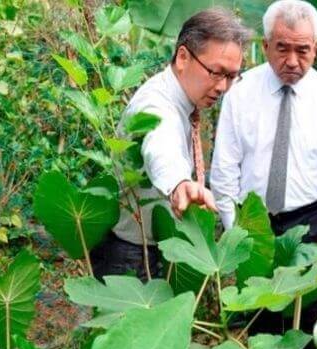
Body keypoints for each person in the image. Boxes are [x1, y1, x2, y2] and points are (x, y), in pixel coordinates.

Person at [210, 0, 317, 349]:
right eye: (282, 48)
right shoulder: (240, 94)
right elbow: (225, 167)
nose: (292, 61)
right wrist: (236, 228)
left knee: (302, 310)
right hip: (252, 217)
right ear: (266, 44)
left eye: (302, 50)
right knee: (258, 306)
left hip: (307, 217)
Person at [90, 8, 250, 281]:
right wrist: (178, 182)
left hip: (153, 247)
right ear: (183, 57)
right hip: (129, 254)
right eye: (216, 72)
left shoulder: (184, 102)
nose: (223, 87)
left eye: (232, 76)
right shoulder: (156, 103)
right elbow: (159, 142)